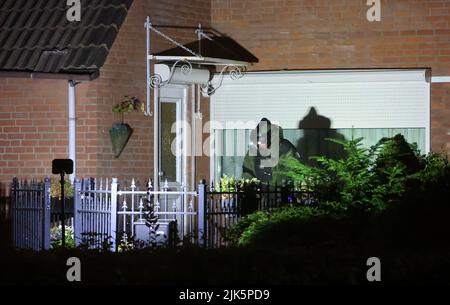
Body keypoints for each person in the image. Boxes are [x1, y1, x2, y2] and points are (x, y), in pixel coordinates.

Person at [242, 118, 300, 183]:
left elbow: (298, 172)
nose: (260, 143)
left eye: (263, 139)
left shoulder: (286, 149)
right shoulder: (252, 152)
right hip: (260, 191)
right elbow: (247, 174)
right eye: (258, 139)